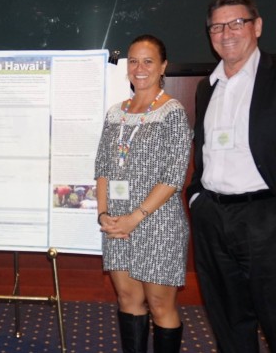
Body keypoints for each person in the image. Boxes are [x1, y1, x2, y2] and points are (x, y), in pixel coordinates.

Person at [186, 0, 276, 353]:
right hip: (213, 218)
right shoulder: (206, 87)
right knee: (229, 325)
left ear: (257, 26)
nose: (227, 33)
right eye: (217, 26)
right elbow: (205, 152)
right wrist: (198, 198)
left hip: (269, 219)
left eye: (237, 22)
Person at [94, 34, 191, 352]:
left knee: (160, 306)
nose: (139, 67)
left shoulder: (172, 113)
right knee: (127, 299)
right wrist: (104, 215)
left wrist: (135, 218)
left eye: (148, 61)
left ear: (163, 66)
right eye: (133, 60)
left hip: (157, 224)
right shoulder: (115, 113)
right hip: (117, 225)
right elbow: (103, 169)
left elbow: (173, 177)